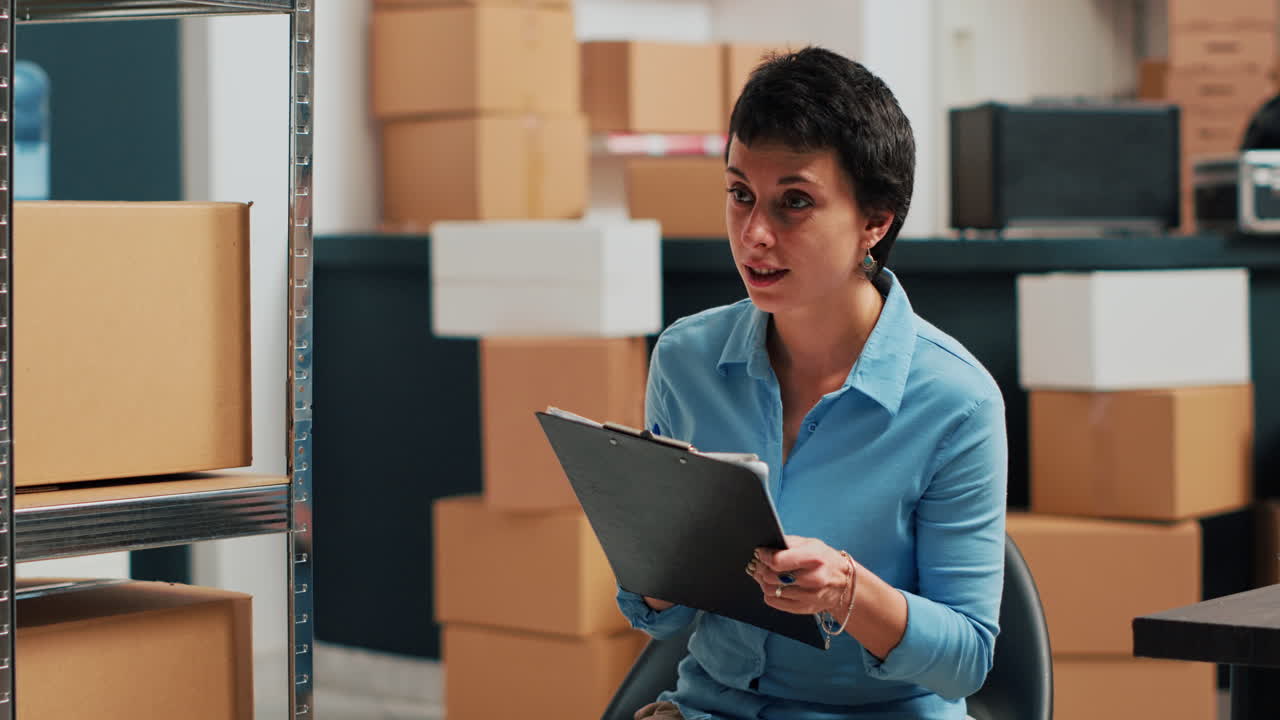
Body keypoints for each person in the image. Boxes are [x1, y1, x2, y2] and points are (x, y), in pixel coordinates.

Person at [616, 47, 1008, 720]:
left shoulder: (957, 401)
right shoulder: (684, 360)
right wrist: (659, 566)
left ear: (874, 223)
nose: (755, 234)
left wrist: (847, 593)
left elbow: (966, 661)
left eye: (794, 203)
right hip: (715, 707)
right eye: (741, 195)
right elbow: (659, 620)